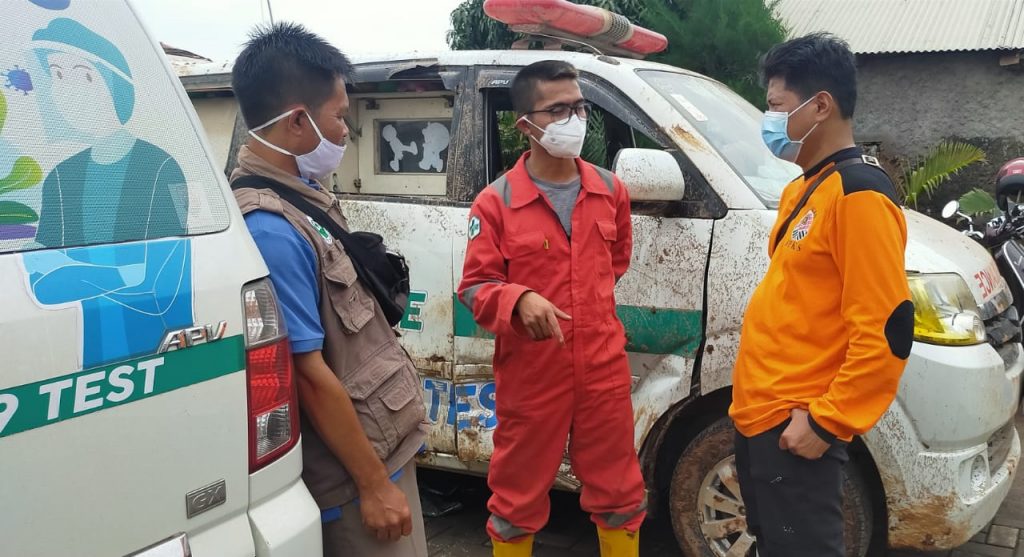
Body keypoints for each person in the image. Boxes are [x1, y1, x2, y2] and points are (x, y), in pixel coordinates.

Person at [229, 23, 427, 557]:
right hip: (352, 479)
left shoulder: (303, 198)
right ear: (298, 121)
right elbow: (307, 373)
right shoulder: (269, 229)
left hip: (378, 448)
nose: (345, 132)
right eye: (339, 117)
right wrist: (373, 485)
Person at [730, 33, 914, 557]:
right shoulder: (807, 187)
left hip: (798, 427)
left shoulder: (859, 197)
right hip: (761, 418)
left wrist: (828, 423)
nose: (769, 122)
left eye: (777, 107)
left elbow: (889, 327)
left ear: (821, 106)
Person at [458, 60, 646, 557]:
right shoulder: (494, 204)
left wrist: (578, 301)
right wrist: (518, 300)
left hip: (602, 366)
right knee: (516, 498)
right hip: (533, 372)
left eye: (579, 107)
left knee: (621, 494)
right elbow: (475, 288)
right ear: (526, 125)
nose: (575, 119)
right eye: (558, 109)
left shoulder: (610, 191)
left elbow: (615, 264)